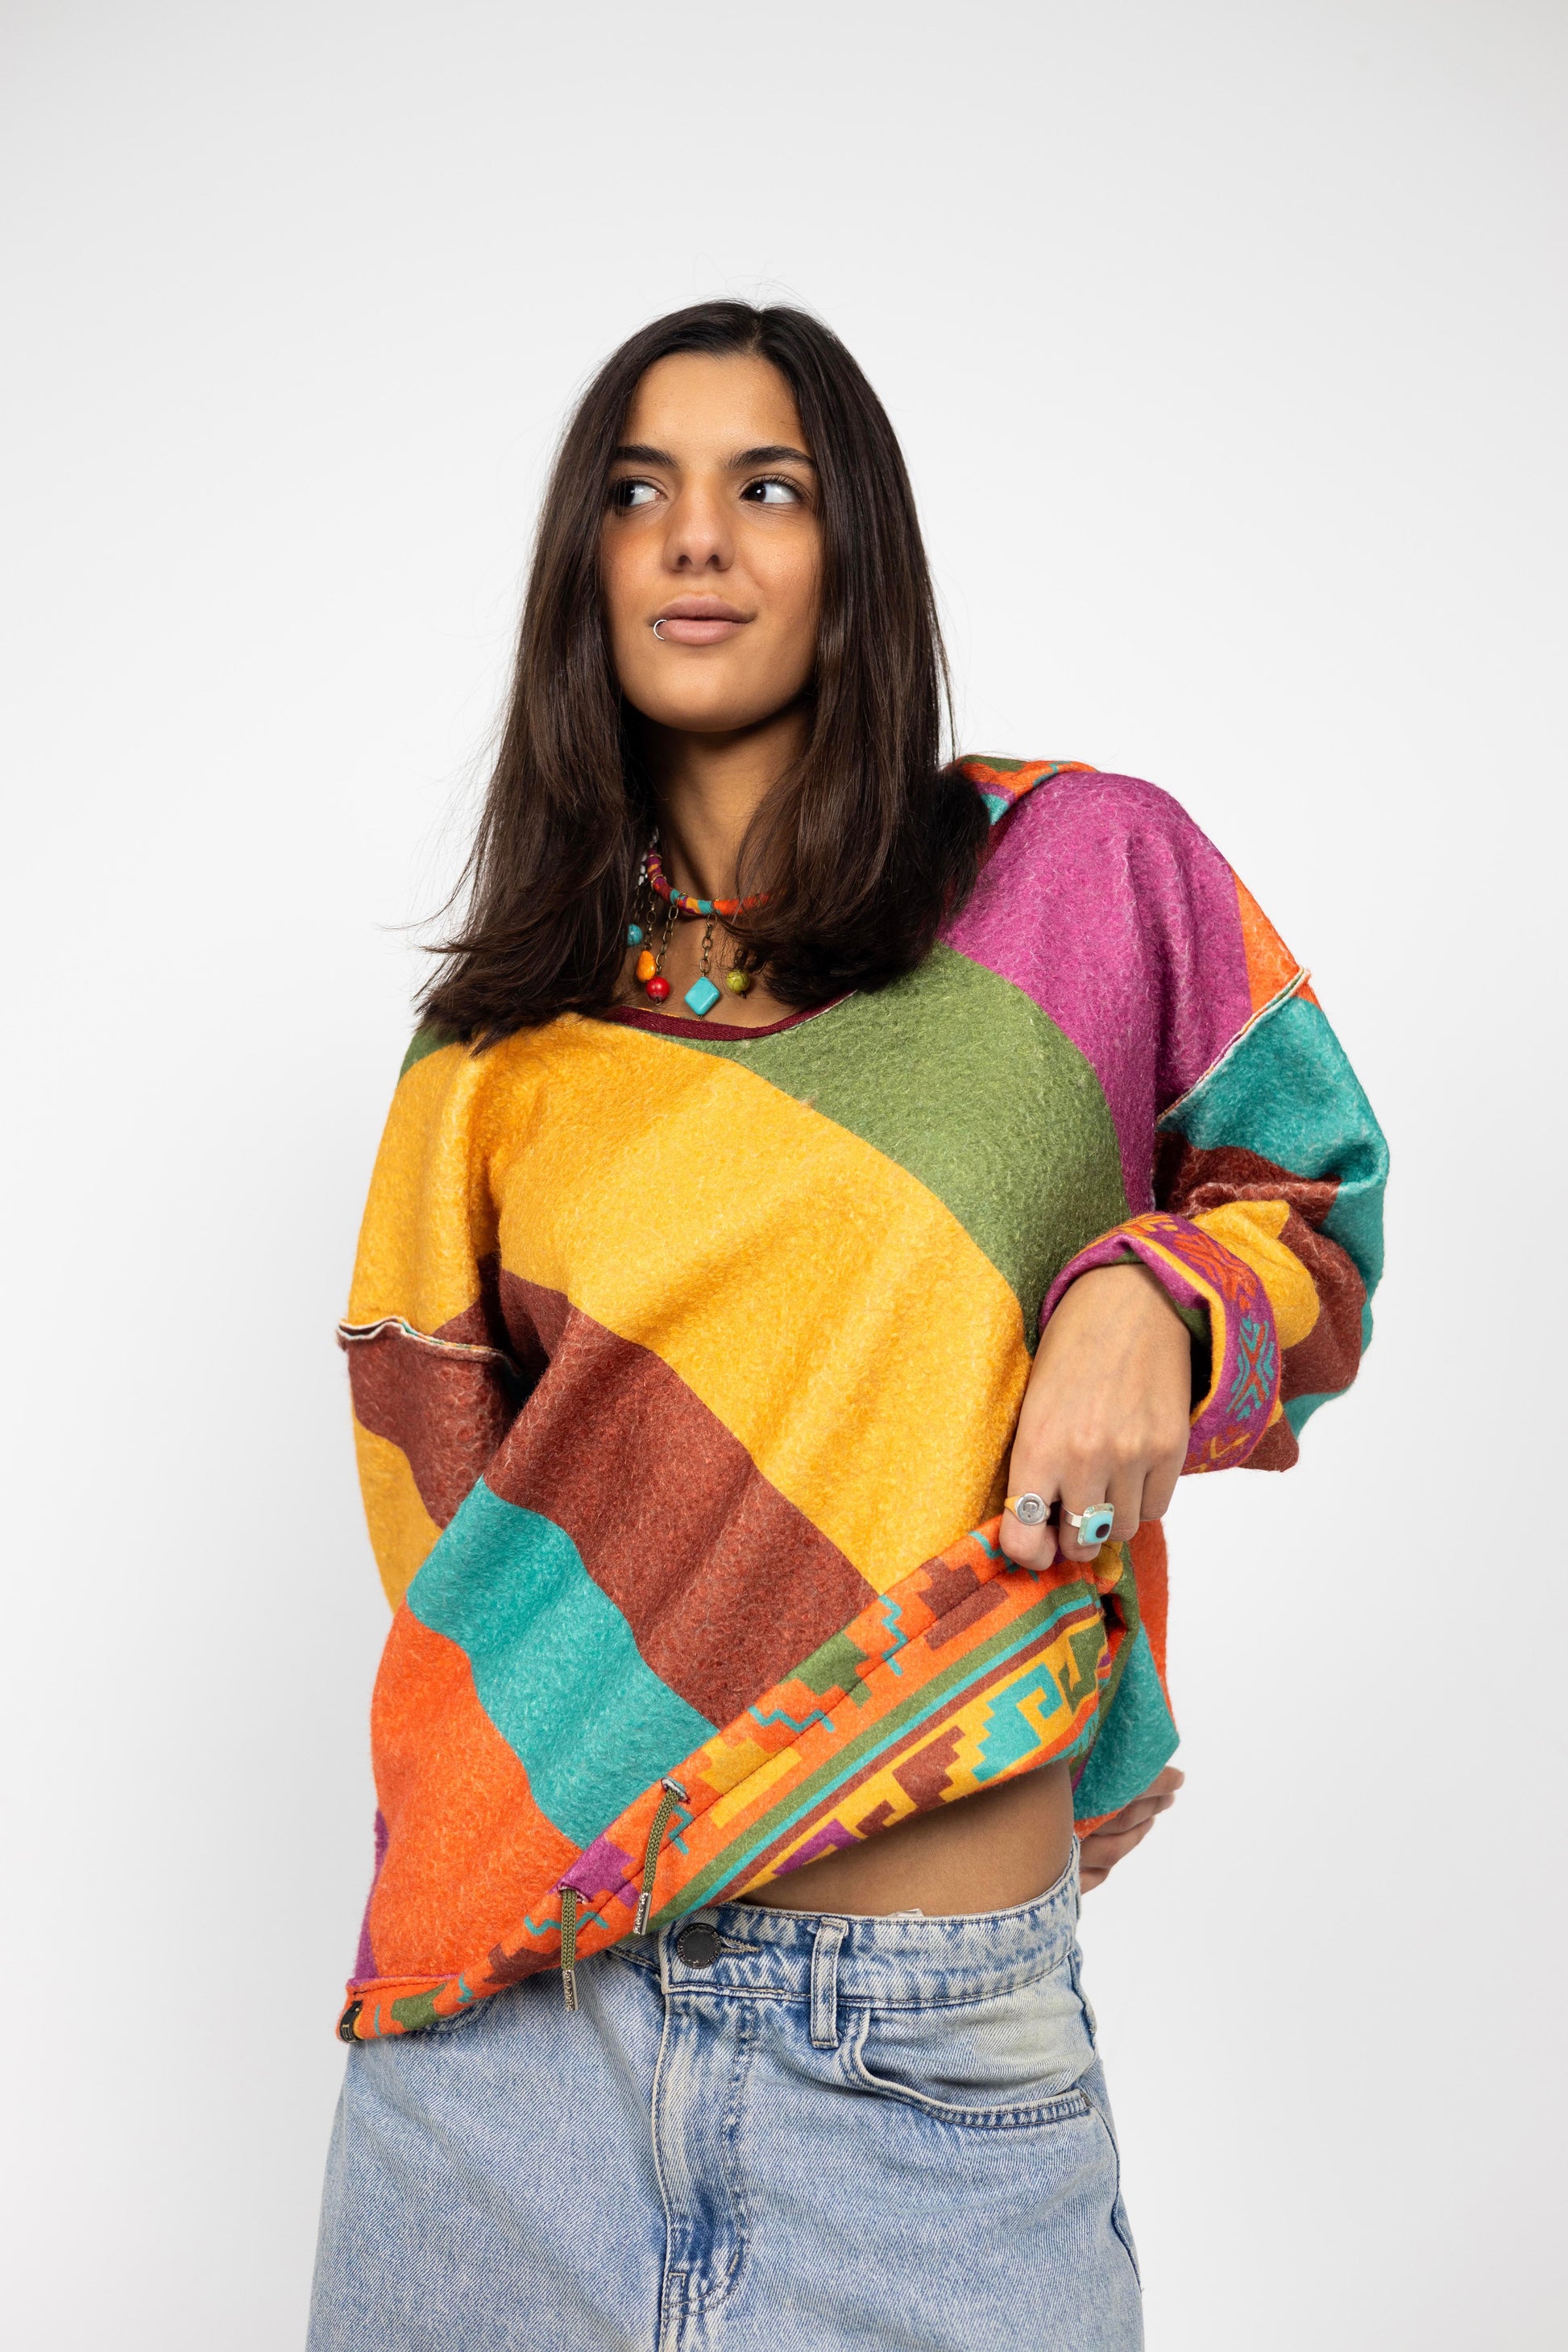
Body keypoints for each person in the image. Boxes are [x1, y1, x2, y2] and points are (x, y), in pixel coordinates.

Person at [309, 301, 1387, 2350]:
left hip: (928, 2075)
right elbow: (450, 1548)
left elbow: (1314, 1216)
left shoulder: (1079, 872)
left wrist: (1152, 1296)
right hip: (505, 2051)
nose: (696, 536)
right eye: (639, 490)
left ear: (853, 548)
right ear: (585, 564)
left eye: (768, 486)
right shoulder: (494, 1044)